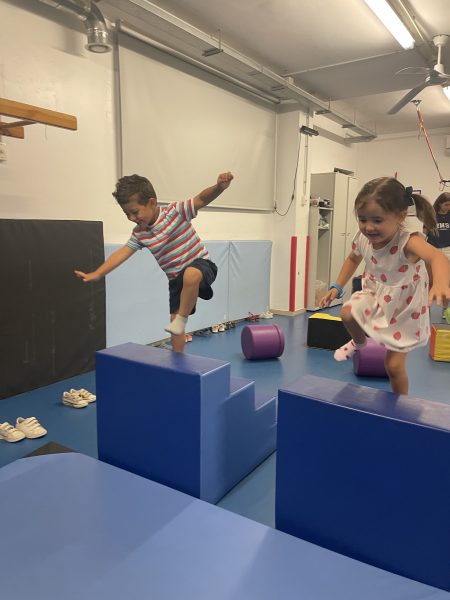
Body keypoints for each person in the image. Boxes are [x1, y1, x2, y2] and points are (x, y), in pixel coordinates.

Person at [75, 171, 234, 352]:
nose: (131, 218)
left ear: (151, 203)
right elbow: (122, 253)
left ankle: (181, 320)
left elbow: (202, 199)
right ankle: (178, 360)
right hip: (176, 281)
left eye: (134, 212)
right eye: (126, 214)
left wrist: (219, 187)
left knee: (190, 275)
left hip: (201, 265)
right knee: (175, 328)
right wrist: (98, 273)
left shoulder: (175, 212)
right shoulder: (140, 234)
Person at [319, 177, 450, 395]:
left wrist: (440, 283)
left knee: (393, 367)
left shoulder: (408, 242)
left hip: (405, 307)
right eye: (362, 219)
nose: (368, 227)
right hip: (375, 292)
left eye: (377, 220)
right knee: (347, 314)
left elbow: (437, 257)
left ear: (400, 216)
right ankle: (359, 343)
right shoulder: (363, 238)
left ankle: (400, 404)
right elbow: (353, 259)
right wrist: (337, 286)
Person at [426, 191, 450, 261]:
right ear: (439, 204)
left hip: (448, 249)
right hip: (433, 248)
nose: (449, 207)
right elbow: (425, 233)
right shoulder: (431, 215)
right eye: (446, 205)